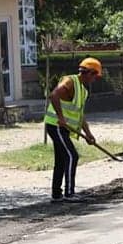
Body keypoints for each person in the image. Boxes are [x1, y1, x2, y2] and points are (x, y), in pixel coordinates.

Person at [44, 57, 101, 203]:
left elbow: (80, 115)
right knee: (71, 156)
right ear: (89, 73)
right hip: (55, 125)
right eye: (95, 76)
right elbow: (53, 95)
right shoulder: (69, 81)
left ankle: (57, 195)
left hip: (62, 128)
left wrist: (88, 134)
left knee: (62, 159)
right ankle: (69, 193)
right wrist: (61, 117)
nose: (94, 80)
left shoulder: (83, 91)